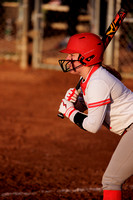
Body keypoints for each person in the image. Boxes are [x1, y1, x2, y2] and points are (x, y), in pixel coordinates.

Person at [58, 32, 133, 200]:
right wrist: (77, 105)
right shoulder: (91, 79)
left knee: (111, 180)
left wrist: (69, 111)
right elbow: (91, 106)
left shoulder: (97, 82)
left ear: (87, 57)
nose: (68, 58)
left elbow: (93, 125)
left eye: (72, 54)